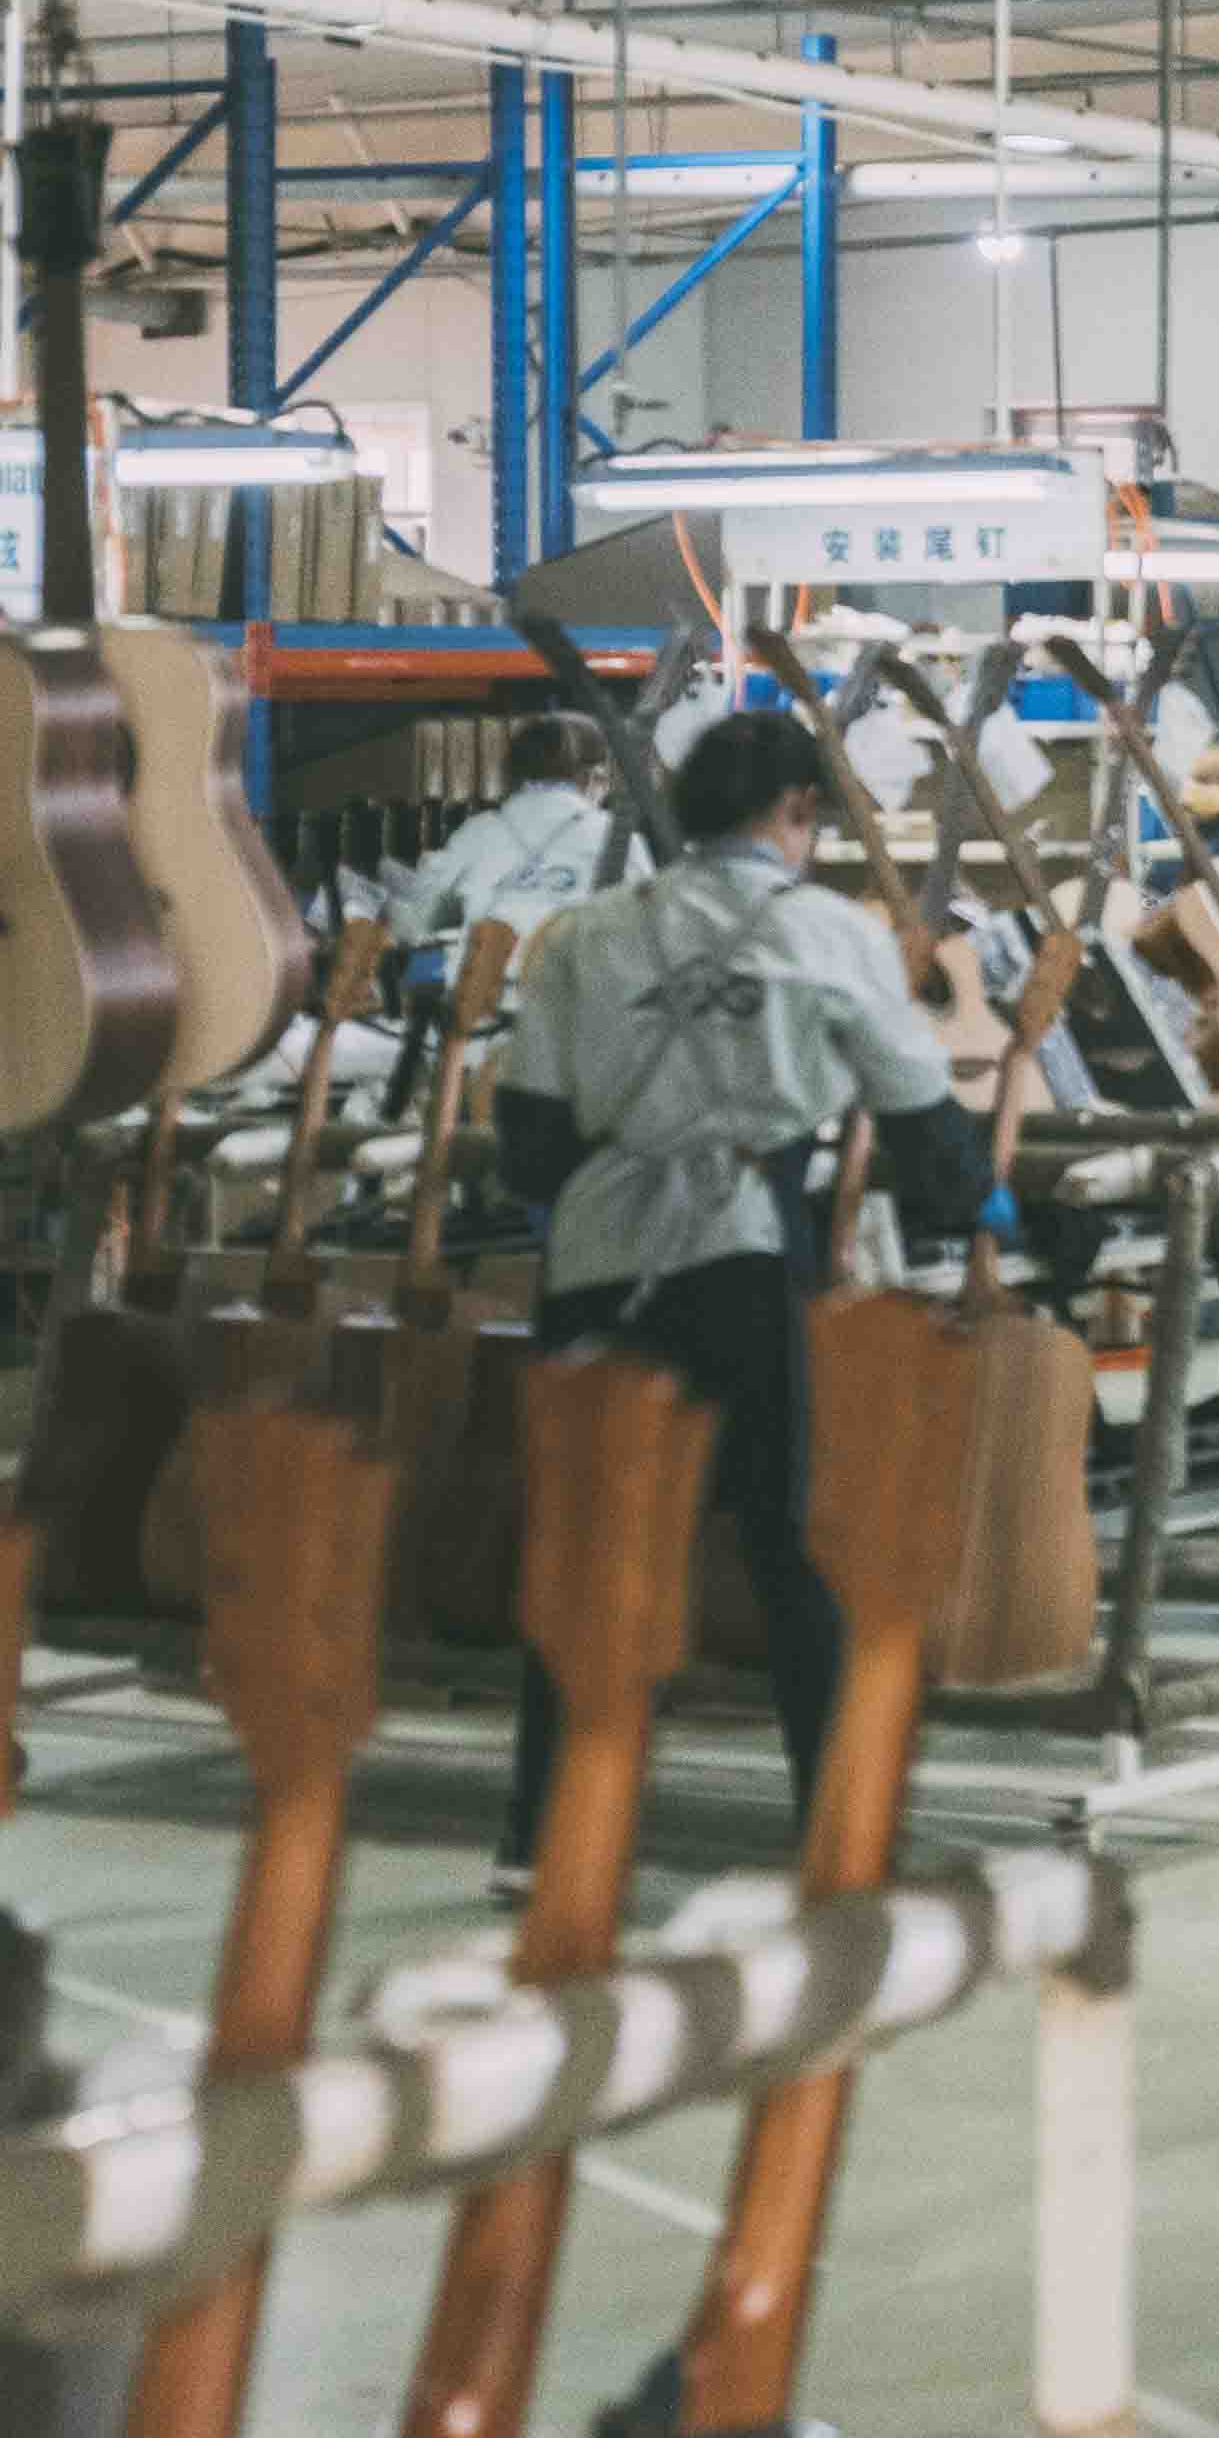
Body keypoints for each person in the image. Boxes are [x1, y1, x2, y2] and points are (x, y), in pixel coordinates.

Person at [489, 703, 984, 1877]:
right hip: (748, 1259)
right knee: (794, 1552)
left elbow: (526, 1142)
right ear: (798, 811)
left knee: (590, 1552)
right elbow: (916, 1105)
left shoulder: (586, 934)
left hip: (597, 1269)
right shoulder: (829, 932)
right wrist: (971, 1211)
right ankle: (831, 1825)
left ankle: (536, 1840)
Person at [394, 710, 620, 950]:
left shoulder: (478, 833)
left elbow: (419, 917)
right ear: (593, 777)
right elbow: (648, 923)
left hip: (493, 981)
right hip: (582, 980)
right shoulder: (615, 835)